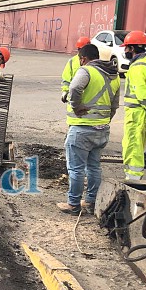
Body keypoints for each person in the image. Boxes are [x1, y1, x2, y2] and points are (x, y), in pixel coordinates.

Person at [57, 44, 120, 215]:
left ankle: (73, 204)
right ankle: (91, 202)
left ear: (83, 58)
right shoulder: (113, 76)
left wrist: (77, 108)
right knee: (93, 167)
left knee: (76, 168)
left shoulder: (86, 71)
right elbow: (114, 105)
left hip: (82, 129)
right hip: (102, 130)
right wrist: (103, 121)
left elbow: (75, 88)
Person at [121, 31, 146, 180]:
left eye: (126, 48)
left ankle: (133, 180)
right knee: (137, 147)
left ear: (133, 48)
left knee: (132, 148)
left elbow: (143, 96)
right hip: (144, 116)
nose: (125, 51)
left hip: (137, 115)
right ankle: (134, 177)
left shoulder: (137, 67)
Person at [61, 36, 91, 103]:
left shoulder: (93, 60)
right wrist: (65, 91)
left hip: (89, 98)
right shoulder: (72, 61)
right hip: (74, 97)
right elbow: (66, 78)